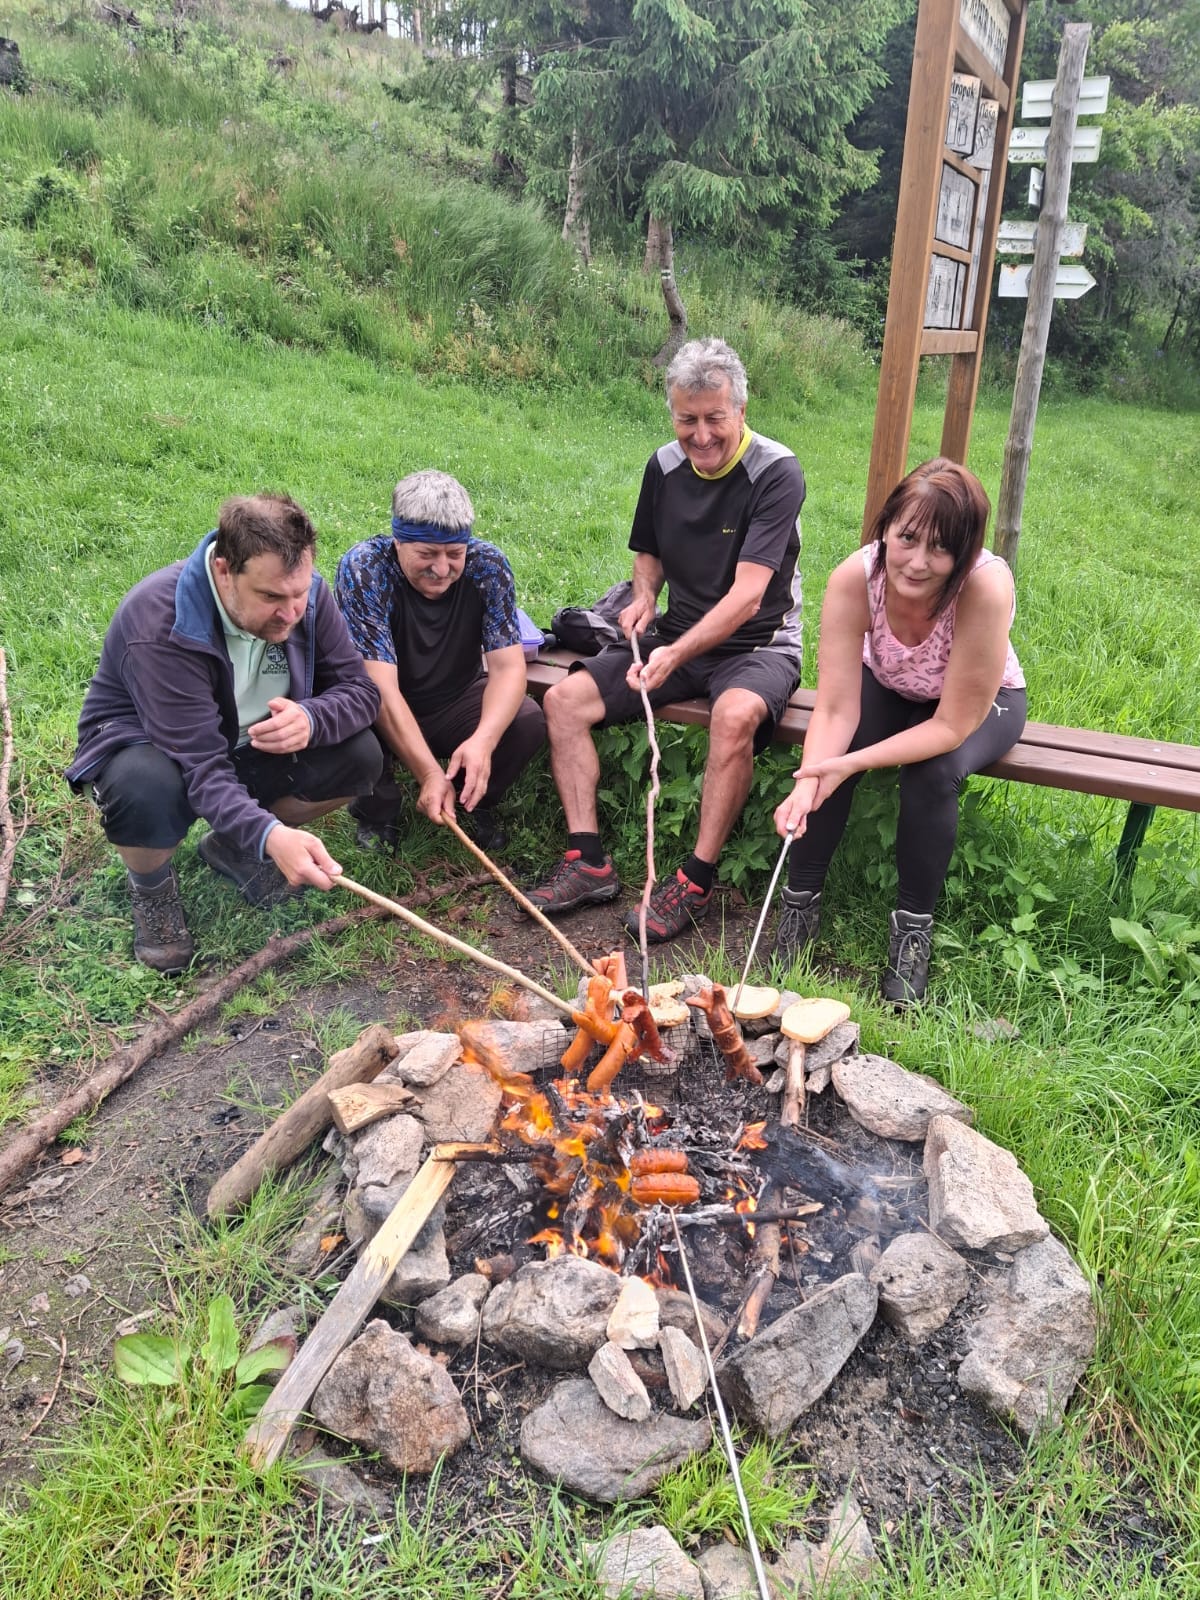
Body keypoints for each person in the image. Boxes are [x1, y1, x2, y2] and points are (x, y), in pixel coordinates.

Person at [528, 337, 804, 943]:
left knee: (733, 716)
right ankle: (588, 862)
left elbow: (748, 596)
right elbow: (647, 554)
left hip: (760, 645)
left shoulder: (776, 472)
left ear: (741, 409)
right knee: (563, 702)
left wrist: (673, 654)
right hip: (678, 633)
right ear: (672, 413)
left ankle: (696, 880)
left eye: (714, 418)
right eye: (687, 419)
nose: (700, 435)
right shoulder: (663, 465)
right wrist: (645, 597)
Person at [66, 494, 384, 975]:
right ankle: (151, 887)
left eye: (298, 594)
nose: (291, 612)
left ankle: (234, 845)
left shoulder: (308, 597)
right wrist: (273, 837)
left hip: (248, 743)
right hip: (160, 751)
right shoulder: (160, 619)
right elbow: (201, 766)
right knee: (143, 786)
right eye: (271, 597)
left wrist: (313, 717)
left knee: (360, 755)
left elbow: (361, 692)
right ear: (223, 571)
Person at [772, 458, 1027, 1005]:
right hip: (891, 681)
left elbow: (951, 725)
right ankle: (797, 908)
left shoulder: (984, 586)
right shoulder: (856, 578)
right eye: (907, 538)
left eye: (941, 548)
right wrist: (812, 776)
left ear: (966, 552)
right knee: (829, 762)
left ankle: (912, 935)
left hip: (979, 703)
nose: (917, 562)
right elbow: (834, 709)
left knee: (932, 772)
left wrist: (851, 764)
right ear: (886, 527)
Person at [334, 469, 545, 853]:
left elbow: (509, 668)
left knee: (526, 719)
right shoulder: (365, 569)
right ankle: (377, 812)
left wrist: (483, 741)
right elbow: (380, 688)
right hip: (381, 706)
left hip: (453, 700)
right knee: (352, 722)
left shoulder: (488, 566)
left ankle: (470, 797)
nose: (442, 569)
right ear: (398, 541)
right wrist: (428, 772)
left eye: (454, 554)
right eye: (427, 554)